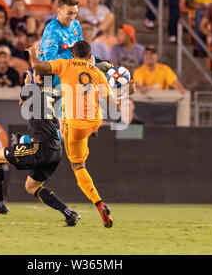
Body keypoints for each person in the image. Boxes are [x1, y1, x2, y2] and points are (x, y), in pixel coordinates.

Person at [26, 40, 134, 228]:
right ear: (89, 56)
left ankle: (99, 203)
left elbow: (37, 66)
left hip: (75, 125)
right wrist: (127, 92)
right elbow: (113, 103)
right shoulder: (97, 72)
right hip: (94, 121)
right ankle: (93, 131)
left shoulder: (65, 64)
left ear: (73, 54)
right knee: (94, 103)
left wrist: (32, 53)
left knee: (78, 166)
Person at [0, 69, 81, 227]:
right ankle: (69, 213)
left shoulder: (31, 90)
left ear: (38, 77)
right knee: (32, 186)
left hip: (40, 149)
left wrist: (26, 84)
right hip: (56, 151)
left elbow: (21, 101)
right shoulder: (59, 94)